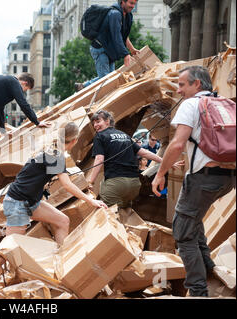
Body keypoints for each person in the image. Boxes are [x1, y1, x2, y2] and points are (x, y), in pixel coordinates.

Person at [0, 122, 108, 277]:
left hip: (30, 202)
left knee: (62, 221)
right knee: (8, 246)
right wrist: (91, 201)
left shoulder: (50, 149)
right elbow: (67, 185)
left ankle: (64, 266)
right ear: (74, 141)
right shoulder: (55, 155)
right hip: (17, 202)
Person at [152, 66, 236, 297]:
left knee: (182, 232)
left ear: (197, 84)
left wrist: (160, 174)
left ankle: (199, 292)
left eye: (181, 85)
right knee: (192, 219)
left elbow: (178, 144)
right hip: (228, 177)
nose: (178, 90)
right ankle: (208, 269)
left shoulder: (191, 105)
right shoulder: (225, 103)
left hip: (203, 178)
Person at [87, 110, 183, 209]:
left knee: (106, 215)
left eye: (98, 121)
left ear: (107, 121)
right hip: (134, 185)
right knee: (125, 213)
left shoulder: (100, 136)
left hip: (115, 184)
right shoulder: (124, 135)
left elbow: (99, 159)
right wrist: (167, 162)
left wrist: (91, 182)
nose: (95, 125)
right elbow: (144, 152)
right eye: (93, 123)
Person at [75, 0, 140, 91]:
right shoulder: (115, 14)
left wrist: (131, 49)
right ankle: (84, 87)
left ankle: (83, 86)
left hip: (110, 51)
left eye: (134, 4)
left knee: (110, 78)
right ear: (122, 2)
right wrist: (125, 54)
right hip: (100, 49)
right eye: (131, 3)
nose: (133, 6)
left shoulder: (128, 16)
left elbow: (123, 35)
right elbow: (116, 36)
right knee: (107, 81)